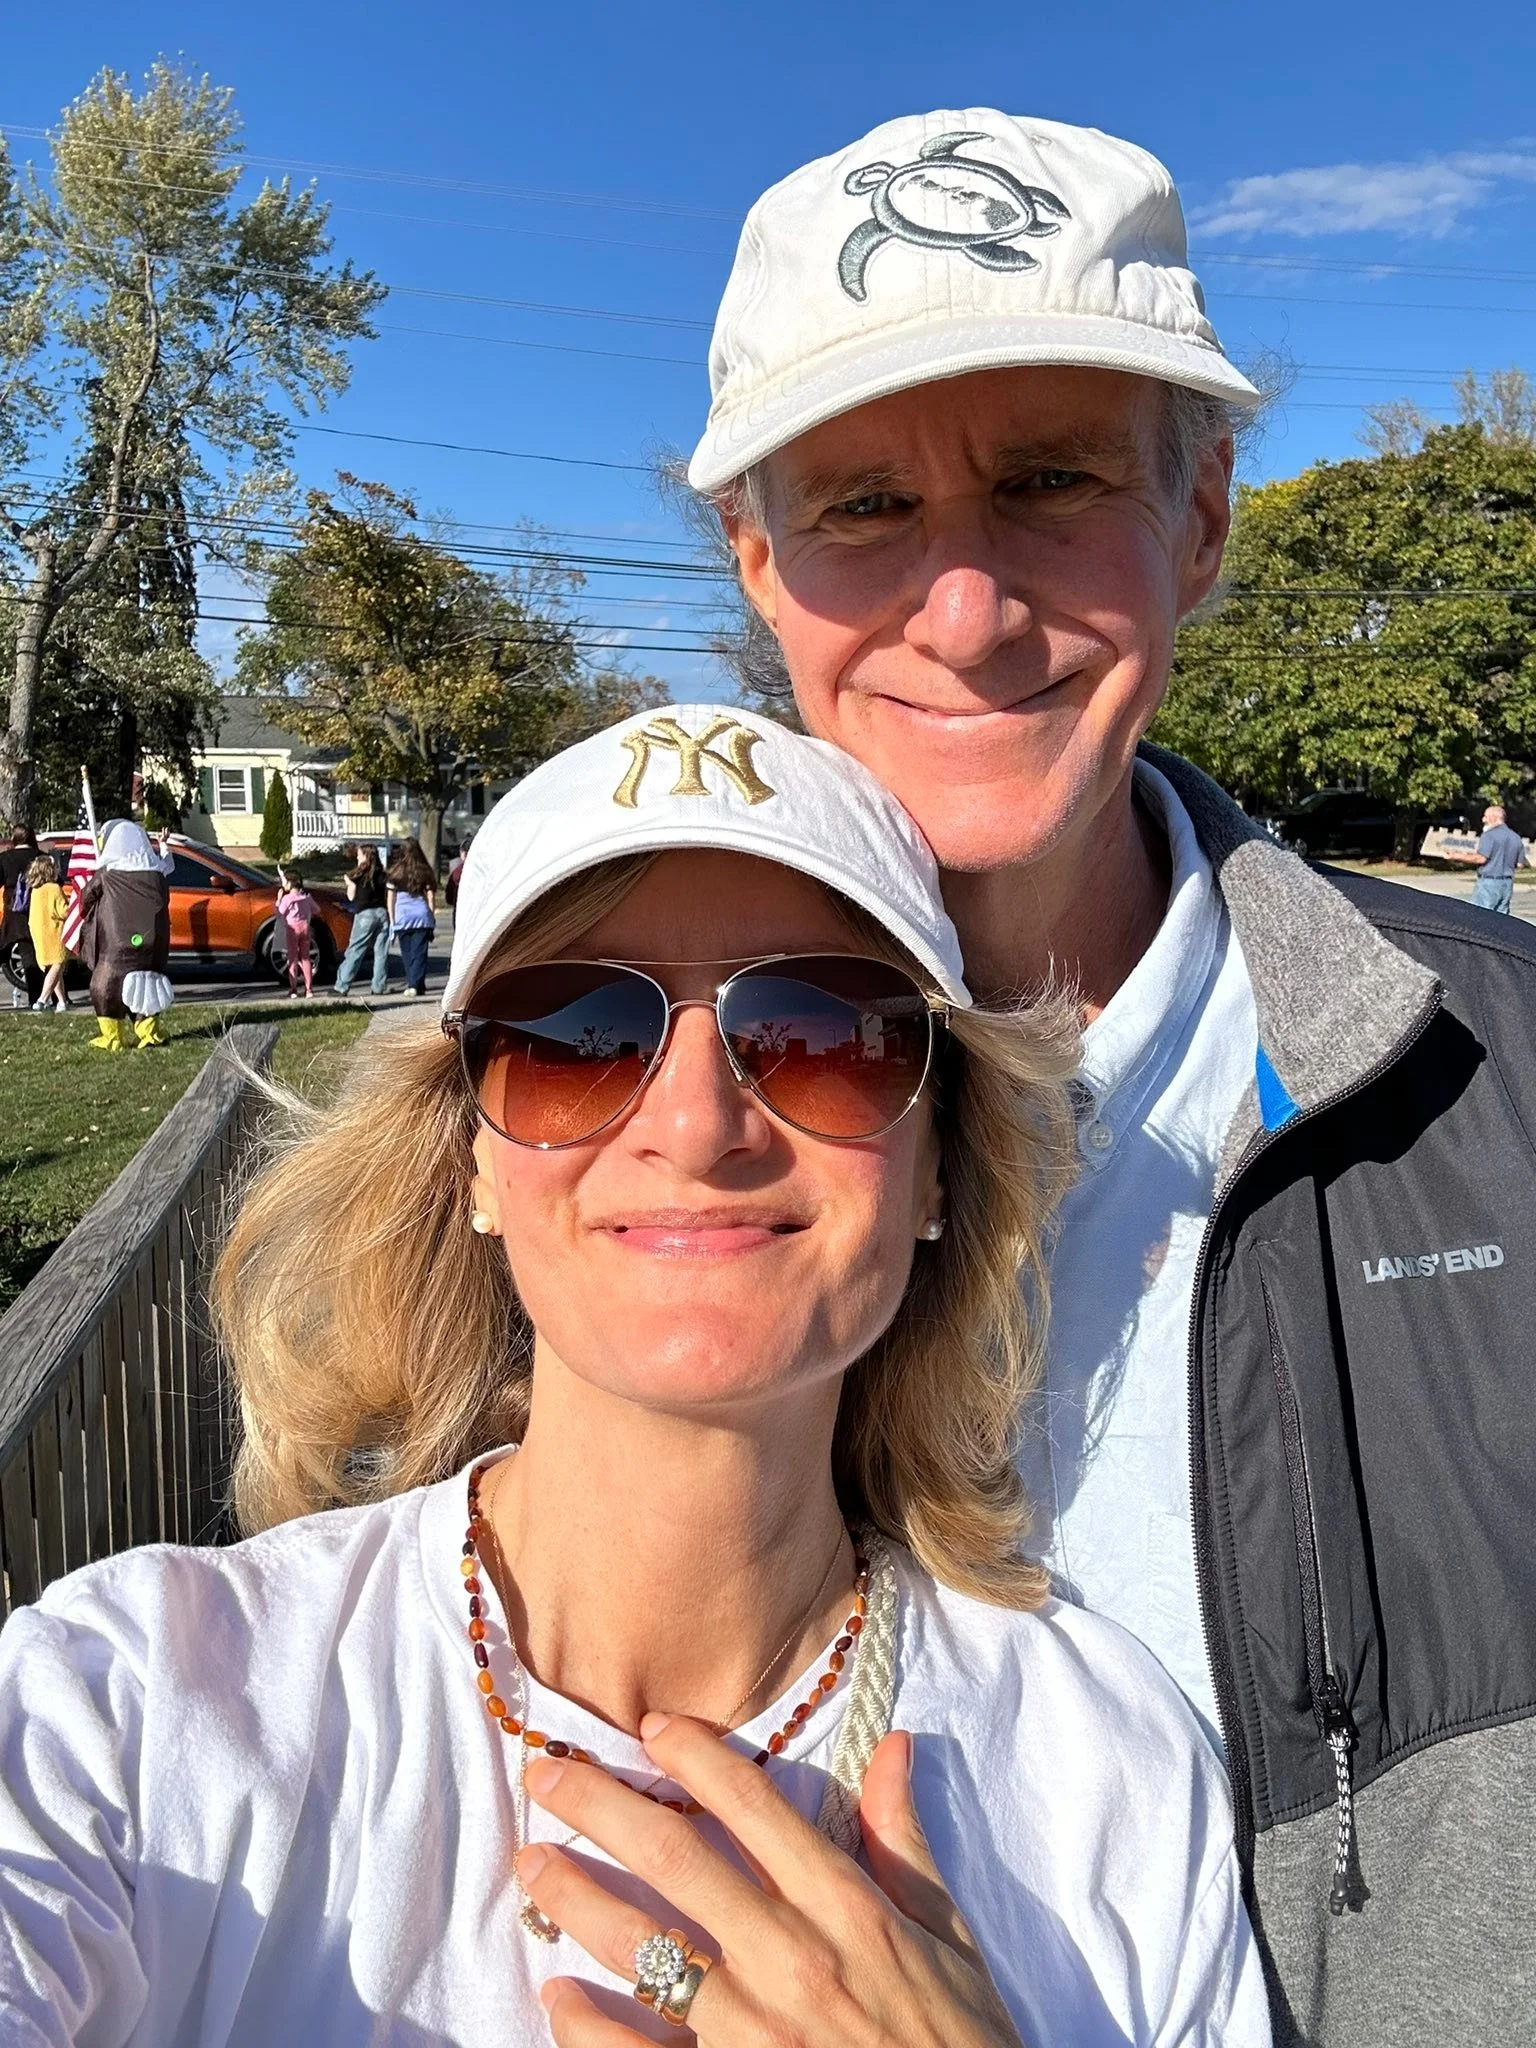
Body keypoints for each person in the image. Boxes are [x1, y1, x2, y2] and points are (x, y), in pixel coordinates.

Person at [0, 706, 1270, 2045]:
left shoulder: (1106, 1767)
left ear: (940, 1164)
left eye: (822, 1028)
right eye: (574, 1034)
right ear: (475, 1160)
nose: (697, 1123)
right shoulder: (129, 1713)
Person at [685, 110, 1536, 2045]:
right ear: (758, 562)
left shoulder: (1505, 1086)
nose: (966, 613)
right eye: (864, 508)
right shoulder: (593, 1156)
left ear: (1205, 518)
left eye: (1051, 479)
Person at [76, 820, 175, 1050]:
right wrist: (164, 847)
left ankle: (113, 1036)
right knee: (148, 985)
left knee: (106, 985)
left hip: (117, 946)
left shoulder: (108, 875)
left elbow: (85, 899)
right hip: (153, 945)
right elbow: (167, 868)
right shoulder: (157, 874)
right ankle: (149, 1031)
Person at [335, 843, 390, 996]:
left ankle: (342, 985)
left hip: (365, 914)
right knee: (381, 951)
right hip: (382, 913)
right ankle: (378, 986)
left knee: (356, 949)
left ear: (366, 856)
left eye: (359, 854)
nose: (357, 857)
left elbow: (351, 897)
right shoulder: (383, 874)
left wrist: (349, 883)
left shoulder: (357, 875)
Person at [1454, 802, 1528, 913]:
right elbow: (1520, 865)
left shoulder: (1488, 835)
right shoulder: (1516, 837)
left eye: (1486, 817)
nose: (1483, 820)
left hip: (1488, 882)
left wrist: (1456, 856)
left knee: (1480, 917)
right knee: (1502, 919)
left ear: (1495, 817)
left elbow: (1481, 858)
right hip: (1507, 884)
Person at [0, 822, 44, 1006]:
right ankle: (36, 999)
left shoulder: (4, 858)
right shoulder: (42, 858)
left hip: (13, 910)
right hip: (37, 908)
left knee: (2, 949)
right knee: (30, 955)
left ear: (14, 838)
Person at [387, 835, 437, 997]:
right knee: (420, 952)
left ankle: (413, 983)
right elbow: (430, 897)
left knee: (407, 953)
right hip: (421, 916)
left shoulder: (395, 872)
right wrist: (431, 915)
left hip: (402, 916)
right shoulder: (425, 871)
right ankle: (417, 984)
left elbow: (391, 899)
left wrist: (392, 919)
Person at [26, 851, 71, 1010]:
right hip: (54, 931)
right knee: (58, 963)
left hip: (39, 932)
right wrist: (72, 905)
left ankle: (62, 1001)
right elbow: (62, 911)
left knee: (52, 966)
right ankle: (42, 999)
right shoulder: (54, 888)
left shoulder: (35, 891)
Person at [274, 859, 317, 998]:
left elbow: (279, 913)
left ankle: (293, 989)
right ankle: (309, 989)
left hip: (292, 929)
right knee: (305, 958)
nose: (283, 884)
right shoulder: (306, 897)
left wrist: (279, 899)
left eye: (285, 881)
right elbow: (317, 910)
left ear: (290, 883)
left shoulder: (287, 899)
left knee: (292, 958)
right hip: (305, 928)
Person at [446, 829, 474, 909]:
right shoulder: (484, 871)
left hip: (460, 911)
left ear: (463, 853)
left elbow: (449, 898)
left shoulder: (457, 872)